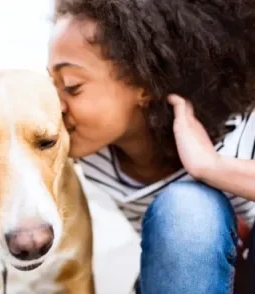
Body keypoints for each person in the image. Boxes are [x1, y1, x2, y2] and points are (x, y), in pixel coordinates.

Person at [47, 0, 255, 293]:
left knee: (188, 205)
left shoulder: (235, 133)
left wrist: (212, 167)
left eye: (71, 86)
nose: (56, 106)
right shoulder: (94, 153)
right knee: (184, 212)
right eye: (50, 84)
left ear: (143, 84)